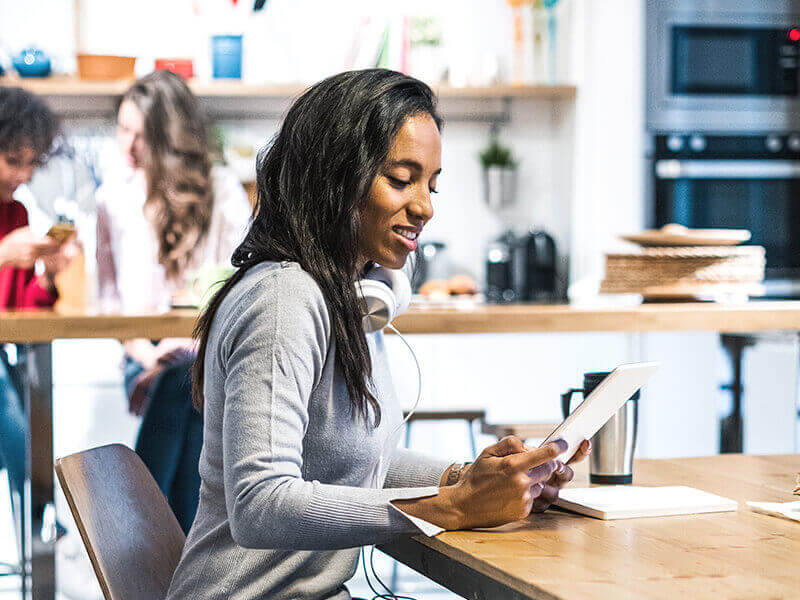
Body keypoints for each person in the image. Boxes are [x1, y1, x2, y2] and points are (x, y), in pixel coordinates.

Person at [166, 69, 590, 600]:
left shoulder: (350, 295)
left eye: (431, 184)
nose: (425, 206)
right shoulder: (283, 300)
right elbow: (260, 505)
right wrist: (452, 508)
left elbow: (359, 465)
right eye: (401, 178)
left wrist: (474, 480)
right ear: (336, 176)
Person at [95, 70, 250, 533]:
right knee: (181, 386)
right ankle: (175, 547)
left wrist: (191, 351)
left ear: (171, 137)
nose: (128, 147)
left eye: (141, 135)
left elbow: (239, 288)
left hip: (209, 354)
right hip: (142, 356)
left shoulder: (220, 190)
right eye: (123, 130)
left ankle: (139, 535)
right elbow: (107, 309)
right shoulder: (112, 198)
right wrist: (148, 353)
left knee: (187, 381)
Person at [0, 86, 78, 541]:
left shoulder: (16, 212)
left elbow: (22, 313)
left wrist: (46, 276)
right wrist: (5, 254)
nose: (23, 174)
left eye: (31, 162)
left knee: (32, 394)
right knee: (13, 408)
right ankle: (43, 515)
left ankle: (40, 526)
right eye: (13, 160)